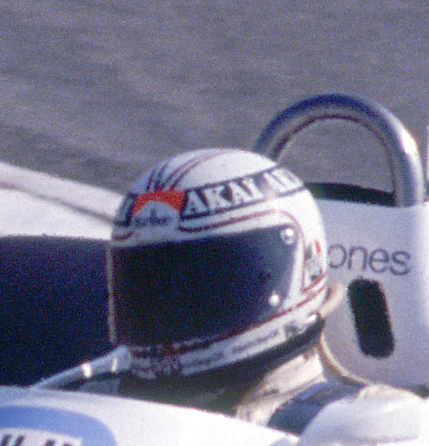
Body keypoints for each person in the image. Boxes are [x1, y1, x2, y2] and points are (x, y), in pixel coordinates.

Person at [103, 147, 382, 430]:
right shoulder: (94, 404)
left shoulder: (342, 428)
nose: (166, 305)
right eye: (148, 286)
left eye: (199, 289)